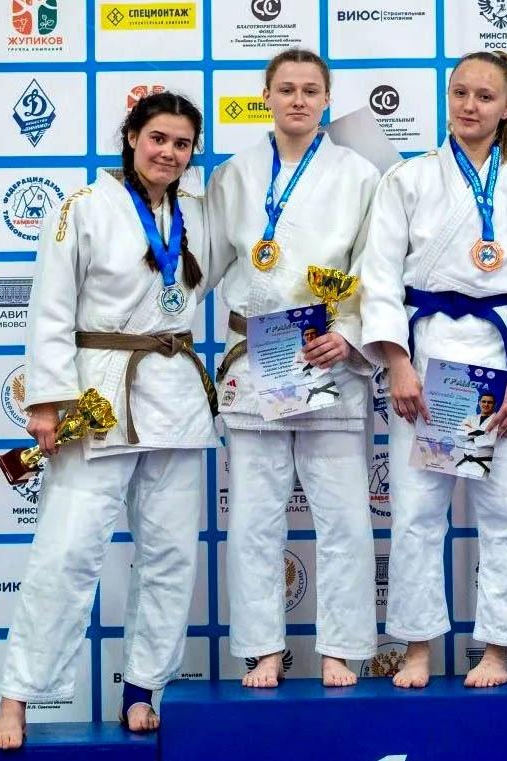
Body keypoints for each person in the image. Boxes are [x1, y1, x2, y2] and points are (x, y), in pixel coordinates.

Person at [0, 92, 216, 749]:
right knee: (66, 551)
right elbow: (50, 306)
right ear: (132, 136)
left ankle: (144, 688)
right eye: (158, 138)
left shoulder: (198, 211)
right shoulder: (83, 206)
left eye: (181, 144)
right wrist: (45, 402)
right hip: (100, 395)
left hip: (174, 393)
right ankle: (15, 700)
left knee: (170, 553)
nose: (168, 152)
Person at [359, 50, 507, 689]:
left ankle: (498, 649)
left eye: (484, 96)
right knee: (416, 513)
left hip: (499, 361)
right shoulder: (408, 178)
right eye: (460, 93)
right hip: (424, 358)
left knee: (505, 514)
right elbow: (379, 276)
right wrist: (397, 363)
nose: (469, 106)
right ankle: (418, 647)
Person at [205, 48, 379, 689]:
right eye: (286, 89)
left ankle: (341, 648)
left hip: (325, 358)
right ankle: (263, 650)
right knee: (253, 518)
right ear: (267, 96)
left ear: (327, 99)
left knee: (345, 520)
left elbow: (375, 269)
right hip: (257, 358)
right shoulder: (233, 175)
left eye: (310, 89)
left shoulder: (360, 174)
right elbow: (206, 265)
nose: (298, 100)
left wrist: (350, 336)